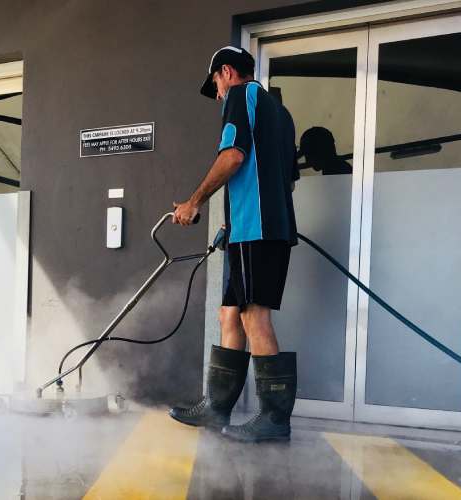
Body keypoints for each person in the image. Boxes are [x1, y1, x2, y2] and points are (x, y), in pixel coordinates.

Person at [169, 46, 298, 442]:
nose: (219, 95)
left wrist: (193, 203)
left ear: (227, 72)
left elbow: (233, 157)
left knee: (253, 317)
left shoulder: (243, 96)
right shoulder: (281, 112)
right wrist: (231, 220)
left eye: (216, 85)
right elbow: (285, 177)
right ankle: (218, 408)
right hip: (254, 228)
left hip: (255, 230)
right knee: (230, 314)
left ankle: (274, 420)